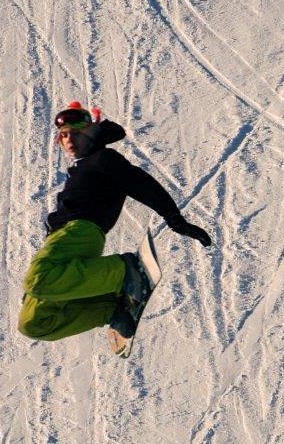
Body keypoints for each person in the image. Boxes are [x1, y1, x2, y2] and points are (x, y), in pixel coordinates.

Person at [17, 102, 212, 342]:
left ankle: (124, 270)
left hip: (80, 231)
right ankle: (111, 308)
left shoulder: (102, 159)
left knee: (38, 279)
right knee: (33, 323)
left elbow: (141, 184)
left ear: (91, 131)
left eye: (76, 133)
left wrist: (174, 219)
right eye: (64, 135)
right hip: (59, 242)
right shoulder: (80, 167)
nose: (68, 140)